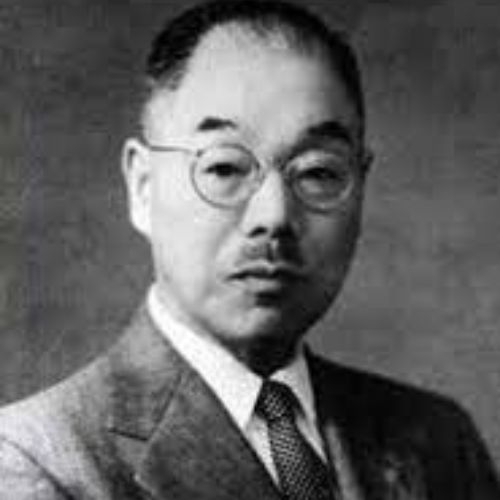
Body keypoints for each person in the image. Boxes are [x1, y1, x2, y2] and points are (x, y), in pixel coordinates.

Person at [0, 1, 498, 499]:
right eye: (224, 168)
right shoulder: (34, 462)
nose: (274, 216)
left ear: (361, 186)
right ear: (143, 187)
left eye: (318, 172)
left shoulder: (440, 442)